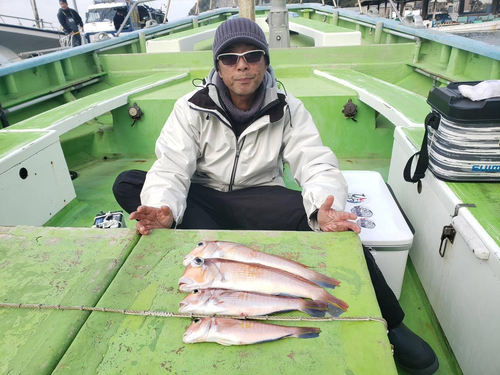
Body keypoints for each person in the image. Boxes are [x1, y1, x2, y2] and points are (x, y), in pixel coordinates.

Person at [113, 17, 439, 375]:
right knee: (129, 183)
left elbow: (314, 162)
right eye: (229, 58)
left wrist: (323, 208)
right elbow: (172, 166)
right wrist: (164, 208)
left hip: (260, 198)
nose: (242, 65)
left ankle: (392, 322)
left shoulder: (288, 108)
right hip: (203, 196)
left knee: (335, 226)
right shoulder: (190, 107)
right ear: (218, 67)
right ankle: (196, 236)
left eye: (253, 55)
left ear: (266, 61)